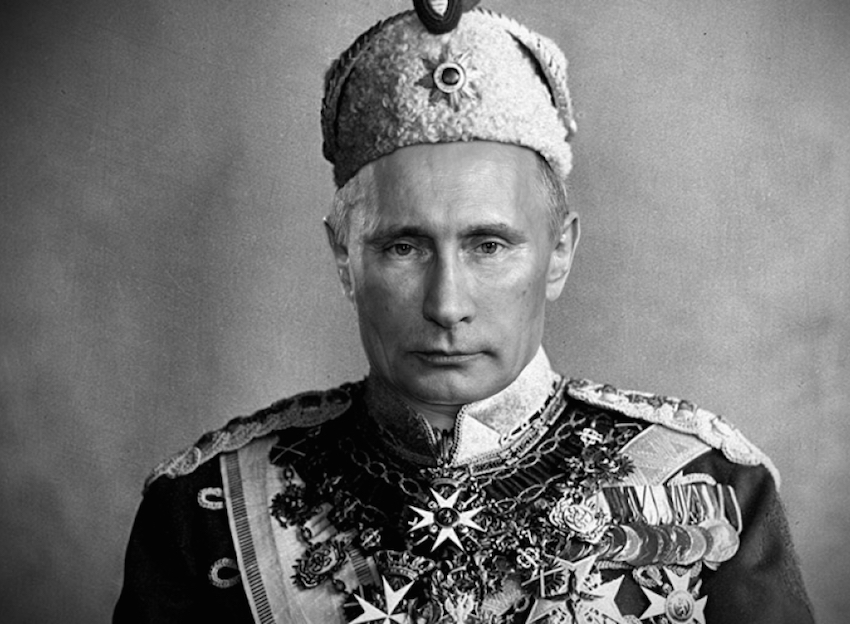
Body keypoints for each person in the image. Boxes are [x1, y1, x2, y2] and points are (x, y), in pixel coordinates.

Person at [114, 1, 815, 622]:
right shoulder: (207, 512)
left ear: (559, 253)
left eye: (489, 245)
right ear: (344, 259)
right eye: (403, 247)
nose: (447, 305)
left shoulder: (707, 486)